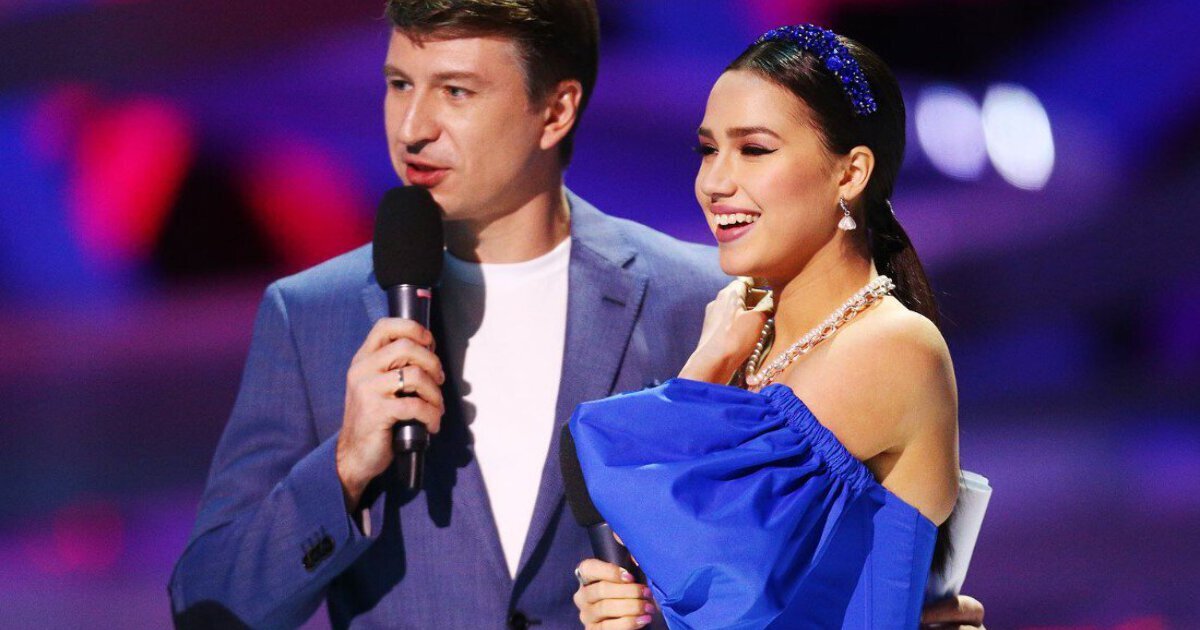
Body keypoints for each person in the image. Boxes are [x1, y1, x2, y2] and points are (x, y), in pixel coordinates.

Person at [167, 2, 984, 627]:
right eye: (398, 85)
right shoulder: (310, 316)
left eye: (456, 91)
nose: (412, 127)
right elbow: (207, 605)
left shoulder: (705, 300)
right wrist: (345, 467)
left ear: (555, 111)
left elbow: (806, 557)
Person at [570, 24, 978, 629]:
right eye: (708, 150)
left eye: (754, 150)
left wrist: (706, 366)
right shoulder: (752, 342)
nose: (714, 182)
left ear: (850, 174)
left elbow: (667, 516)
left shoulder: (891, 347)